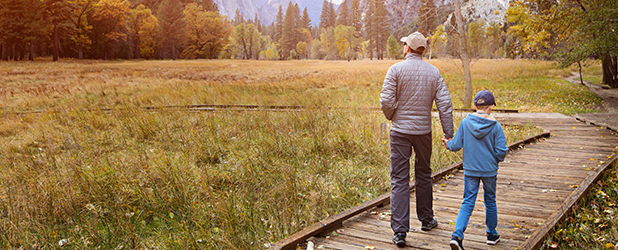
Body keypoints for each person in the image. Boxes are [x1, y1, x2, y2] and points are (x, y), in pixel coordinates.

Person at [380, 31, 454, 247]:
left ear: (408, 48)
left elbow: (386, 100)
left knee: (399, 179)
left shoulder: (395, 70)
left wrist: (392, 115)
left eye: (404, 44)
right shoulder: (434, 72)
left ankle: (400, 232)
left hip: (400, 132)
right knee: (424, 174)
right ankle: (427, 219)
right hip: (423, 132)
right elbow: (445, 104)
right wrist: (448, 133)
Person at [442, 90, 508, 250]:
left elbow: (456, 145)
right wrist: (494, 160)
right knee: (490, 201)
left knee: (467, 202)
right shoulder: (495, 126)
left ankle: (457, 236)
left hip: (470, 170)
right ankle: (491, 234)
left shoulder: (465, 123)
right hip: (489, 171)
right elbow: (501, 151)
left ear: (474, 106)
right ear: (491, 107)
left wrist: (447, 143)